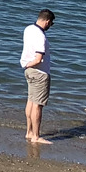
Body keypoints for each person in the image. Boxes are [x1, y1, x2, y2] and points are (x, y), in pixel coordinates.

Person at [21, 8, 55, 145]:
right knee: (38, 105)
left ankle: (29, 131)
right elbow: (38, 58)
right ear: (47, 21)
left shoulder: (28, 29)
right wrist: (30, 64)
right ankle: (36, 135)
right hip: (39, 72)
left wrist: (26, 65)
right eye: (51, 24)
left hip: (29, 71)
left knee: (30, 100)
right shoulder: (41, 36)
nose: (50, 27)